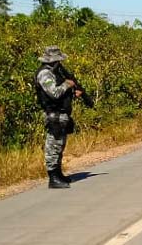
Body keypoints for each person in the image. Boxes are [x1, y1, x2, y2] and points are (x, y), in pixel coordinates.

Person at [34, 46, 83, 189]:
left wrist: (73, 93)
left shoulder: (54, 73)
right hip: (53, 115)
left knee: (59, 145)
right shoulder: (45, 74)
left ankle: (59, 174)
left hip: (61, 114)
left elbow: (61, 95)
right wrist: (68, 84)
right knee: (53, 146)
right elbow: (54, 93)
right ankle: (53, 177)